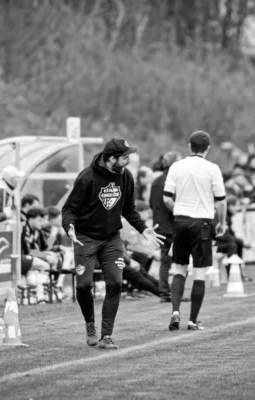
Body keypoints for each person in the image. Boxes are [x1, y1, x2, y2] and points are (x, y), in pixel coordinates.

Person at [61, 138, 164, 350]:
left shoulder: (126, 176)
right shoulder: (86, 177)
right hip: (85, 238)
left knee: (115, 283)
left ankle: (106, 336)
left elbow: (129, 209)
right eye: (125, 157)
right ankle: (90, 324)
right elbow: (69, 208)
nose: (129, 160)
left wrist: (143, 229)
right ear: (111, 159)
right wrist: (69, 226)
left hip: (111, 238)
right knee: (83, 286)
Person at [163, 131, 227, 331]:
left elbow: (166, 198)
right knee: (199, 273)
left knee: (180, 269)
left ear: (189, 146)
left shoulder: (176, 166)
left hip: (181, 222)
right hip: (203, 224)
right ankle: (192, 321)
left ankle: (175, 311)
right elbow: (221, 201)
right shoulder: (212, 169)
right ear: (208, 148)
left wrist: (180, 211)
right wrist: (222, 222)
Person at [150, 151, 181, 303]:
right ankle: (177, 292)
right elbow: (173, 202)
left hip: (159, 226)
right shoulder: (174, 181)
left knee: (165, 261)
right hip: (173, 225)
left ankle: (164, 292)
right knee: (180, 261)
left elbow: (151, 203)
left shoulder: (155, 181)